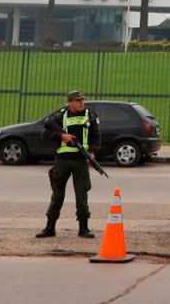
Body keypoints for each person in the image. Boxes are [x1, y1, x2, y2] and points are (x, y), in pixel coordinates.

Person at [35, 90, 101, 239]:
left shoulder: (90, 116)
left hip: (80, 161)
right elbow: (44, 134)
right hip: (62, 161)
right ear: (70, 102)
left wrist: (91, 152)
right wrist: (61, 136)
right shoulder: (60, 116)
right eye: (77, 101)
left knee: (81, 196)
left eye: (82, 100)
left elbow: (97, 138)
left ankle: (83, 228)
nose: (81, 103)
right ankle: (49, 228)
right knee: (57, 195)